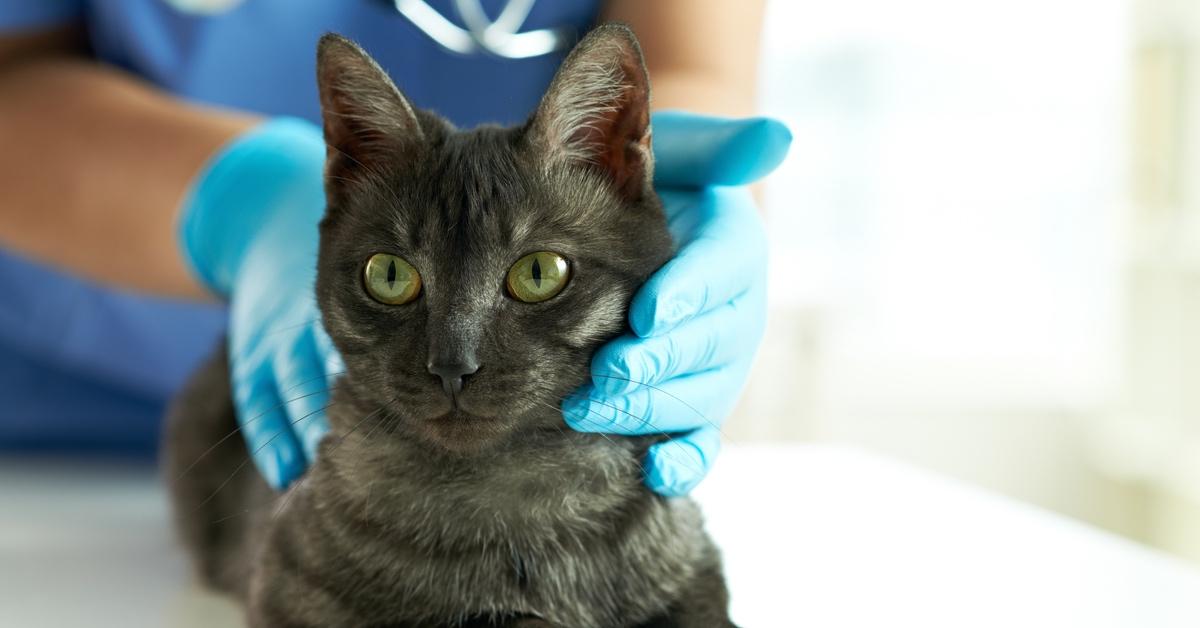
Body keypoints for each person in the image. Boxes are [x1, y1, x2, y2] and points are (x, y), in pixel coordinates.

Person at [0, 0, 788, 496]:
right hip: (61, 441)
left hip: (538, 426)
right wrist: (239, 196)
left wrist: (679, 214)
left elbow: (688, 59)